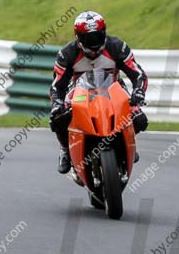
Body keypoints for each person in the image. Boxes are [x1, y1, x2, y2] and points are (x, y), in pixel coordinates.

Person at [49, 10, 149, 174]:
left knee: (140, 119)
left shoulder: (116, 46)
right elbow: (57, 86)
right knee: (57, 118)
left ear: (104, 32)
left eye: (97, 36)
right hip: (79, 93)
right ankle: (65, 150)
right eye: (88, 38)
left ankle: (127, 141)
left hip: (113, 89)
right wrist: (57, 103)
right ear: (78, 37)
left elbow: (138, 74)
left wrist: (138, 93)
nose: (93, 43)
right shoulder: (67, 54)